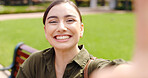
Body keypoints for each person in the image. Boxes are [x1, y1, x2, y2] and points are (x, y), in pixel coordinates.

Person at [16, 0, 126, 78]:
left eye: (69, 20)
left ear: (81, 29)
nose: (61, 28)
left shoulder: (94, 69)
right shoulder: (35, 62)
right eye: (53, 21)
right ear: (45, 31)